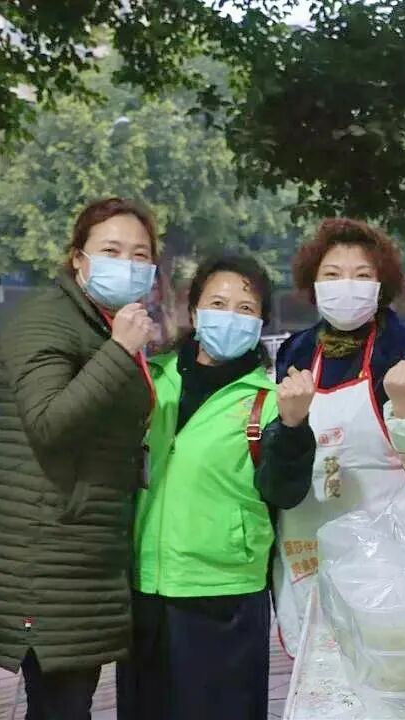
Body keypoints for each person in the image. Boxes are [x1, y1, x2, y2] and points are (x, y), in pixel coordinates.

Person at [0, 198, 158, 719]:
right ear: (78, 258)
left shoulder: (98, 322)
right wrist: (119, 352)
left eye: (140, 254)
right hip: (45, 563)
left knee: (68, 705)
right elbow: (49, 422)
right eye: (111, 250)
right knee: (61, 708)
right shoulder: (47, 319)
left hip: (81, 555)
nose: (128, 264)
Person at [118, 255, 316, 719]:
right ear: (194, 311)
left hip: (224, 594)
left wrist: (293, 426)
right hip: (146, 585)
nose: (230, 316)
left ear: (262, 322)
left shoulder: (269, 400)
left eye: (246, 308)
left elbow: (284, 491)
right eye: (218, 303)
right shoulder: (150, 379)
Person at [272, 218, 405, 653]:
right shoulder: (296, 352)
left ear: (381, 284)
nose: (347, 286)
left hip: (397, 554)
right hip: (315, 548)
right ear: (313, 284)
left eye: (361, 275)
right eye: (332, 275)